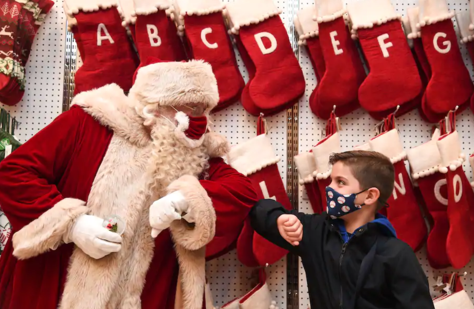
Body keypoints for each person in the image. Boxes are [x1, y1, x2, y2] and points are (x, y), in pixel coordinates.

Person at [0, 60, 257, 309]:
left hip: (149, 294)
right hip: (61, 286)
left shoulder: (194, 155)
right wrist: (72, 225)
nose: (198, 120)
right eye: (189, 108)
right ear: (153, 107)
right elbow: (13, 172)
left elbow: (242, 191)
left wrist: (185, 200)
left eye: (203, 110)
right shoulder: (87, 124)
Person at [250, 150, 434, 309]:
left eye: (340, 182)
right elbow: (257, 211)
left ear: (369, 196)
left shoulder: (397, 254)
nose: (329, 188)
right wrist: (279, 219)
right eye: (331, 181)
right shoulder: (316, 232)